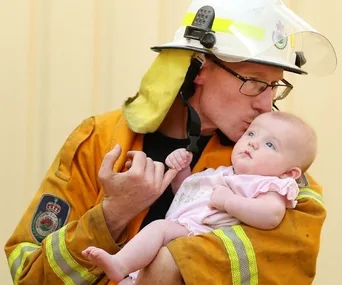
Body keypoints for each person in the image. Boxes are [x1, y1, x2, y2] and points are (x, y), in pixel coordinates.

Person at [5, 1, 336, 284]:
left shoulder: (275, 171)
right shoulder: (100, 140)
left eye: (275, 87)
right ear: (198, 68)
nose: (266, 105)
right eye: (253, 82)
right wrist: (112, 215)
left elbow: (289, 262)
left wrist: (168, 264)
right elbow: (30, 274)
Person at [82, 111, 317, 284]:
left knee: (159, 228)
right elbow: (189, 195)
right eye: (251, 133)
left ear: (290, 173)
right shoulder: (224, 173)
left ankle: (120, 264)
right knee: (157, 233)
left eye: (269, 144)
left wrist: (228, 202)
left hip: (199, 238)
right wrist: (181, 171)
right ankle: (121, 266)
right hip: (184, 230)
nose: (253, 143)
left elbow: (271, 215)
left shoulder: (270, 184)